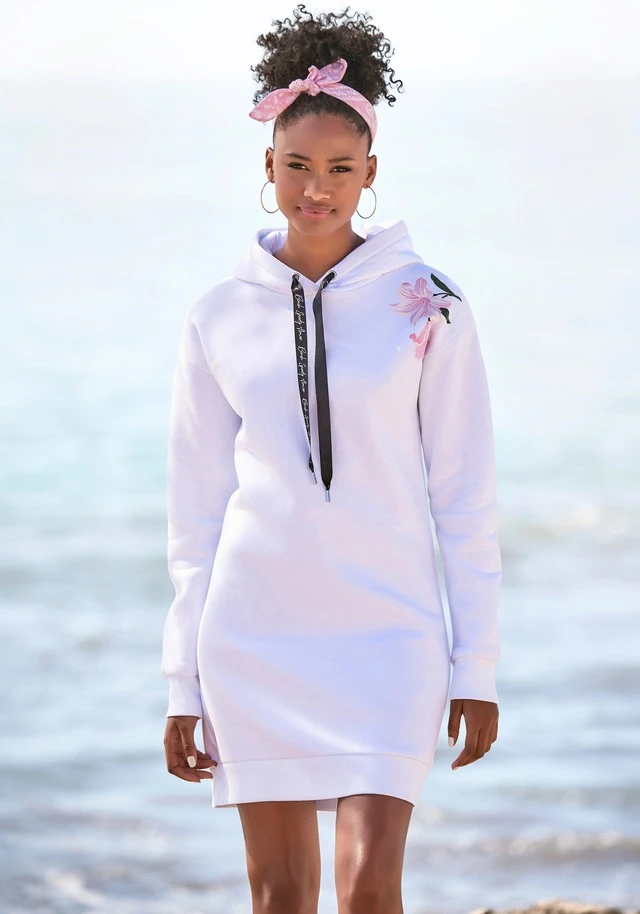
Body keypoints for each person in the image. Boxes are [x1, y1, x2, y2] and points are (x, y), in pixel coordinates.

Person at [161, 5, 502, 912]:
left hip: (391, 636)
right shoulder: (216, 315)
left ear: (371, 173)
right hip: (252, 635)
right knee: (279, 896)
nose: (318, 189)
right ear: (267, 166)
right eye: (298, 166)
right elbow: (196, 512)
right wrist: (182, 681)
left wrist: (476, 667)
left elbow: (465, 499)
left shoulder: (429, 303)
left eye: (341, 169)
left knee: (367, 888)